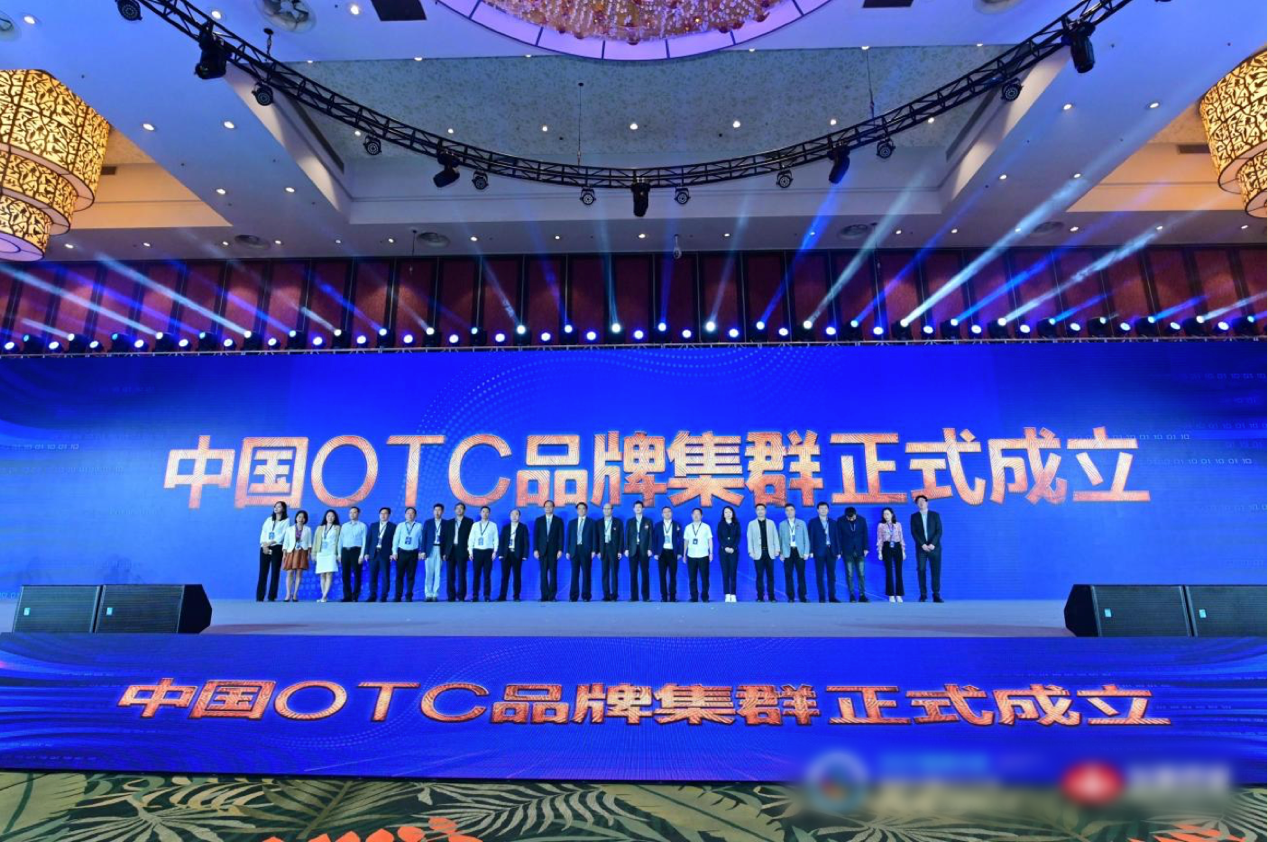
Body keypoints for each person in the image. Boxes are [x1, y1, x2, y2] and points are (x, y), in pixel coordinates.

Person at [910, 495, 944, 603]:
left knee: (935, 570)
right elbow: (914, 532)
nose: (921, 503)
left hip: (935, 548)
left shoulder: (935, 515)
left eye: (923, 501)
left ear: (927, 502)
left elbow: (939, 531)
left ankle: (936, 594)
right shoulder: (914, 517)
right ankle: (923, 594)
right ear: (917, 504)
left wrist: (933, 544)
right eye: (918, 502)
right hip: (921, 549)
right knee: (921, 570)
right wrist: (922, 544)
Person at [746, 503, 780, 602]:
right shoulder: (751, 524)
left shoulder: (771, 523)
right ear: (756, 511)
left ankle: (772, 597)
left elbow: (775, 536)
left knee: (770, 576)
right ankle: (760, 597)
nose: (760, 511)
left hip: (770, 553)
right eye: (758, 509)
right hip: (757, 553)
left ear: (765, 511)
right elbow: (749, 539)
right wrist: (750, 552)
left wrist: (777, 549)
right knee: (759, 576)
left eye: (762, 509)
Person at [808, 501, 841, 603]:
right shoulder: (813, 522)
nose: (823, 510)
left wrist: (838, 551)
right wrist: (811, 551)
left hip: (832, 551)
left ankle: (832, 597)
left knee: (832, 575)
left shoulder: (833, 522)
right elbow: (810, 537)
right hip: (819, 551)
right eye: (821, 508)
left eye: (825, 508)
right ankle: (821, 597)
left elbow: (837, 538)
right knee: (820, 575)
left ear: (828, 510)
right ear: (817, 510)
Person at [256, 500, 289, 602]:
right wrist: (264, 545)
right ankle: (260, 596)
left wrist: (270, 543)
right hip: (264, 547)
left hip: (277, 547)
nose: (276, 508)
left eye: (279, 506)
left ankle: (272, 596)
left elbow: (283, 535)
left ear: (283, 509)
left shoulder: (286, 521)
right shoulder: (269, 519)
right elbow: (264, 532)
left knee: (275, 572)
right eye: (275, 506)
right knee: (263, 572)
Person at [533, 500, 565, 601]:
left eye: (550, 506)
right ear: (544, 508)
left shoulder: (558, 520)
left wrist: (560, 550)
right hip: (542, 551)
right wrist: (535, 549)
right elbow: (535, 536)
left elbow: (561, 536)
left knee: (553, 574)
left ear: (553, 508)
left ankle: (552, 596)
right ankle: (544, 596)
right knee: (543, 574)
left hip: (553, 551)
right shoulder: (539, 520)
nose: (548, 508)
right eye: (546, 506)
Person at [566, 502, 598, 602]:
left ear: (586, 510)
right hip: (574, 550)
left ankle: (586, 596)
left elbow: (594, 537)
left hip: (586, 551)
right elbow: (568, 537)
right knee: (574, 574)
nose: (581, 510)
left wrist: (594, 550)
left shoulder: (592, 522)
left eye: (583, 508)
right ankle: (573, 596)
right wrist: (567, 551)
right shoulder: (571, 523)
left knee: (586, 574)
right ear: (576, 510)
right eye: (579, 508)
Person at [778, 503, 810, 603]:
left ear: (795, 511)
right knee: (788, 575)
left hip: (799, 552)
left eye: (791, 510)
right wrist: (781, 553)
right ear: (785, 512)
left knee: (801, 575)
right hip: (787, 552)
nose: (789, 512)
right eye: (787, 510)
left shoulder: (802, 523)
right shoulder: (782, 524)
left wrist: (806, 552)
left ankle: (802, 596)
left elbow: (806, 538)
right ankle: (790, 597)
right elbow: (780, 539)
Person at [837, 506, 869, 602]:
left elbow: (865, 534)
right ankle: (851, 595)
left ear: (855, 514)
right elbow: (838, 536)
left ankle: (862, 595)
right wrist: (839, 550)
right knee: (849, 574)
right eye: (849, 518)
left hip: (860, 550)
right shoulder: (840, 520)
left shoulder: (862, 520)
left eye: (853, 517)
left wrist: (866, 548)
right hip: (847, 551)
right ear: (845, 515)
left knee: (861, 574)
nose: (851, 519)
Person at [468, 504, 499, 602]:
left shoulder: (493, 525)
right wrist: (470, 552)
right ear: (480, 513)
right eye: (483, 512)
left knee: (487, 575)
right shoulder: (475, 525)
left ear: (489, 513)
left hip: (488, 552)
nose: (485, 513)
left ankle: (487, 595)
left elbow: (496, 539)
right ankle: (475, 595)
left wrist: (495, 551)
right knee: (476, 575)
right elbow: (471, 539)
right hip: (477, 552)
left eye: (487, 512)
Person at [624, 500, 654, 602]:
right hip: (632, 550)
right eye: (636, 507)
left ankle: (646, 597)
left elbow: (651, 536)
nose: (638, 508)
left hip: (644, 550)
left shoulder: (648, 521)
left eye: (639, 507)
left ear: (643, 509)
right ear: (633, 509)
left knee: (645, 573)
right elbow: (627, 536)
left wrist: (650, 548)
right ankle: (634, 597)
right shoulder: (630, 521)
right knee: (633, 573)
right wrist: (626, 548)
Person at [420, 502, 450, 603]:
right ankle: (428, 594)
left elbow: (447, 540)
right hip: (430, 550)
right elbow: (424, 537)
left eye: (439, 510)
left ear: (442, 512)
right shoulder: (428, 522)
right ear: (433, 511)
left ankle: (435, 594)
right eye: (435, 510)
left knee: (438, 573)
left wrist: (446, 553)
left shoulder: (446, 523)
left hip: (440, 550)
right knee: (429, 573)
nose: (437, 512)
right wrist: (422, 551)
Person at [364, 507, 395, 602]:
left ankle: (384, 596)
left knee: (385, 576)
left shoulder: (393, 526)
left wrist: (392, 553)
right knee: (372, 576)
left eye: (385, 513)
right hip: (373, 554)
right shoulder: (373, 525)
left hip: (385, 554)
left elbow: (394, 542)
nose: (383, 515)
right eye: (381, 513)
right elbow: (368, 540)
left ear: (389, 515)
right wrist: (366, 553)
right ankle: (372, 595)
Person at [391, 506, 422, 602]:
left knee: (411, 576)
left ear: (415, 515)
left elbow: (421, 540)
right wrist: (394, 552)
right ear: (405, 515)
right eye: (408, 513)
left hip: (413, 553)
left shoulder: (419, 526)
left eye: (412, 513)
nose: (410, 515)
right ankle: (398, 596)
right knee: (399, 576)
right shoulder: (400, 525)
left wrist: (420, 552)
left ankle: (409, 596)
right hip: (401, 553)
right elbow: (396, 540)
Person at [281, 509, 312, 602]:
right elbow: (286, 542)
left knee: (299, 573)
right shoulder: (289, 529)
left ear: (305, 519)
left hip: (302, 551)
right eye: (299, 517)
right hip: (291, 551)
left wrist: (309, 554)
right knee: (290, 572)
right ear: (296, 518)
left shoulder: (308, 529)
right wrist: (284, 554)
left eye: (303, 517)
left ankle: (295, 594)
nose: (301, 519)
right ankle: (288, 594)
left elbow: (309, 543)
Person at [498, 508, 529, 601]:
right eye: (512, 514)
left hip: (517, 554)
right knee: (504, 576)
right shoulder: (506, 527)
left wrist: (525, 555)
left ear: (519, 516)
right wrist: (500, 554)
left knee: (517, 576)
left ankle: (516, 596)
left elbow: (526, 542)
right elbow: (502, 541)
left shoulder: (523, 527)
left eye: (516, 514)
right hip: (506, 554)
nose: (514, 516)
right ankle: (502, 596)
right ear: (510, 516)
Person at [684, 507, 713, 602]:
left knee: (705, 577)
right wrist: (684, 554)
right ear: (691, 515)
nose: (696, 516)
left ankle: (705, 597)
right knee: (692, 578)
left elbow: (710, 540)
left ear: (702, 516)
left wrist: (711, 553)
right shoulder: (688, 527)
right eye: (694, 514)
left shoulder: (706, 527)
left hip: (703, 555)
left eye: (698, 514)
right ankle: (694, 597)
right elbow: (686, 541)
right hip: (691, 555)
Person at [312, 509, 341, 603]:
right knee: (322, 574)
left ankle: (324, 596)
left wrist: (338, 554)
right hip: (321, 553)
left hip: (331, 553)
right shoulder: (320, 528)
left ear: (335, 518)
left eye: (332, 516)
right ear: (325, 517)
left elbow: (340, 542)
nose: (330, 518)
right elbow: (315, 541)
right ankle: (324, 596)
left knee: (329, 574)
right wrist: (314, 553)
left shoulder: (337, 528)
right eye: (328, 516)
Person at [597, 502, 625, 601]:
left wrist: (620, 551)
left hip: (614, 549)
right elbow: (596, 538)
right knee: (604, 573)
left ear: (612, 510)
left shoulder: (618, 522)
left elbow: (621, 537)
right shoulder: (598, 522)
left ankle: (614, 595)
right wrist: (598, 551)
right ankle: (606, 595)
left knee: (614, 573)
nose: (606, 510)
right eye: (605, 509)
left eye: (608, 509)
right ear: (602, 510)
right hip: (603, 549)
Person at [877, 506, 905, 603]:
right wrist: (880, 552)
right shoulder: (881, 525)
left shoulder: (898, 524)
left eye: (887, 514)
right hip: (887, 547)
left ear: (892, 514)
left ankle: (899, 595)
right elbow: (879, 539)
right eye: (884, 514)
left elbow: (901, 538)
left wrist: (903, 551)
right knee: (889, 572)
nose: (886, 516)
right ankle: (891, 595)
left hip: (897, 547)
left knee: (899, 572)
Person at [339, 506, 367, 602]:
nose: (352, 514)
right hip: (345, 551)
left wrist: (361, 555)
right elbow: (340, 540)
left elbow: (364, 541)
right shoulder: (344, 526)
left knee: (357, 574)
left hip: (356, 551)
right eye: (350, 512)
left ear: (358, 514)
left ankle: (355, 596)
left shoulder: (362, 526)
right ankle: (347, 596)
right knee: (345, 575)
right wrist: (339, 554)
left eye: (354, 512)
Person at [656, 505, 684, 602]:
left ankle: (672, 597)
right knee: (662, 576)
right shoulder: (658, 525)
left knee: (673, 576)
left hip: (673, 553)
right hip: (662, 553)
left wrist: (680, 553)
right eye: (665, 512)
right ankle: (663, 597)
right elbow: (655, 540)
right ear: (662, 514)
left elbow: (681, 540)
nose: (667, 513)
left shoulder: (677, 525)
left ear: (671, 513)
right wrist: (655, 553)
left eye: (669, 511)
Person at [446, 502, 473, 602]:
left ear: (464, 510)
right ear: (454, 510)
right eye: (457, 508)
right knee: (450, 574)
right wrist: (444, 552)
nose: (459, 510)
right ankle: (451, 596)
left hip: (462, 550)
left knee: (462, 574)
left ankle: (461, 596)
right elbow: (446, 538)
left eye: (461, 508)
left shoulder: (469, 522)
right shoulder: (449, 522)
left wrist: (470, 551)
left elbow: (471, 538)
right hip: (451, 550)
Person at [716, 506, 741, 602]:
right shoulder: (720, 524)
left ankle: (733, 594)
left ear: (733, 513)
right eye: (726, 512)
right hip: (723, 552)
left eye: (730, 512)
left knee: (733, 573)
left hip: (734, 552)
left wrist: (733, 548)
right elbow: (719, 537)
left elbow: (738, 537)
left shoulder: (736, 524)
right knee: (725, 573)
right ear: (723, 514)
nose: (728, 514)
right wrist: (725, 547)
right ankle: (727, 594)